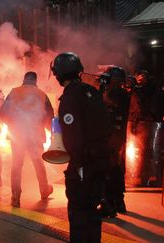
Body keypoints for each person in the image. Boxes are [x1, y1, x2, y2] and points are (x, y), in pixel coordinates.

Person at [51, 52, 113, 243]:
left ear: (59, 75)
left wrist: (76, 166)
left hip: (84, 163)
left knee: (79, 212)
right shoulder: (91, 92)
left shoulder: (70, 98)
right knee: (93, 211)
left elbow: (73, 139)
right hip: (101, 159)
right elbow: (107, 126)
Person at [0, 71, 54, 207]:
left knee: (16, 166)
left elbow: (3, 112)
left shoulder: (14, 92)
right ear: (35, 81)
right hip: (35, 135)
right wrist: (47, 130)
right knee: (39, 164)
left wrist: (12, 125)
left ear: (24, 80)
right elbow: (50, 116)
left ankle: (15, 197)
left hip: (18, 135)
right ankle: (44, 191)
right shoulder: (41, 94)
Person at [99, 66, 130, 218]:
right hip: (118, 138)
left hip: (110, 138)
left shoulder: (115, 93)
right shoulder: (124, 93)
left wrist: (101, 89)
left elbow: (102, 104)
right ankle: (119, 202)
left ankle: (108, 205)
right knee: (117, 169)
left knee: (107, 170)